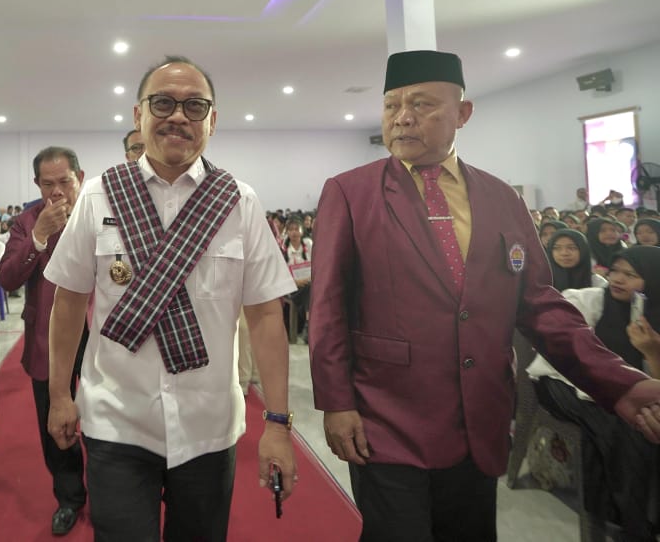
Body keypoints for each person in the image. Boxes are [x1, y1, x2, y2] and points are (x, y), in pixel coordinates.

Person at [309, 50, 660, 542]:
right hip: (385, 415)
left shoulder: (500, 198)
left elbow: (539, 304)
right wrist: (336, 403)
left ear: (462, 113)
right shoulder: (351, 192)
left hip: (480, 416)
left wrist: (618, 382)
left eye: (421, 104)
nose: (402, 117)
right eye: (391, 106)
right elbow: (326, 307)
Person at [44, 56, 297, 542]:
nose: (178, 116)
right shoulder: (98, 196)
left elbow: (266, 316)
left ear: (212, 120)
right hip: (116, 419)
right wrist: (59, 395)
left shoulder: (238, 201)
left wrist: (279, 424)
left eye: (194, 106)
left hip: (208, 425)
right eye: (162, 103)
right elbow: (69, 302)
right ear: (138, 114)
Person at [528, 246, 660, 539]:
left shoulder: (651, 318)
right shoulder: (586, 301)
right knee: (620, 423)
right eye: (615, 271)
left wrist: (651, 351)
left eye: (631, 275)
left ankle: (623, 511)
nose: (618, 279)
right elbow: (563, 358)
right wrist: (611, 392)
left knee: (641, 420)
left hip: (626, 393)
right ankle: (631, 522)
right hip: (562, 382)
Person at [0, 146, 89, 535]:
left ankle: (111, 489)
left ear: (80, 178)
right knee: (55, 423)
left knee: (105, 418)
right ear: (36, 184)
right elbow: (7, 279)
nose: (57, 192)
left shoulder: (101, 213)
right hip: (48, 338)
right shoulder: (26, 222)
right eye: (48, 184)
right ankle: (69, 496)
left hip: (100, 334)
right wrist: (38, 237)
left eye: (65, 181)